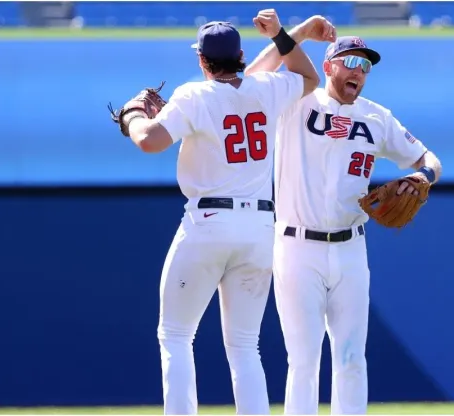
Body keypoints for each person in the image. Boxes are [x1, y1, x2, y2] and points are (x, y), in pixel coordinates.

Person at [114, 12, 319, 415]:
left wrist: (133, 115)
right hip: (261, 227)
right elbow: (308, 78)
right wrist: (282, 36)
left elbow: (150, 142)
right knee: (245, 345)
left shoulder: (194, 95)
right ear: (241, 55)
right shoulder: (266, 88)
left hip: (208, 223)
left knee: (175, 334)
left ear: (202, 61)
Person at [245, 16, 443, 415]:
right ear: (329, 65)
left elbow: (431, 160)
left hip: (351, 249)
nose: (359, 71)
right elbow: (251, 78)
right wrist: (294, 34)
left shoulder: (376, 117)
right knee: (303, 360)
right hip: (297, 246)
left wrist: (421, 176)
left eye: (366, 66)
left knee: (352, 358)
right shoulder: (298, 99)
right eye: (351, 61)